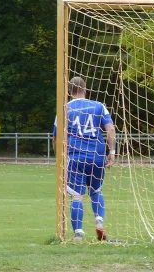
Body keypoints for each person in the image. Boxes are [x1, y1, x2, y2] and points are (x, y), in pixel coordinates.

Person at [53, 76, 116, 241]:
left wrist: (58, 157)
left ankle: (78, 233)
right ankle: (99, 222)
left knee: (77, 196)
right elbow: (110, 129)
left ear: (68, 90)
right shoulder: (99, 106)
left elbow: (56, 137)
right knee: (96, 190)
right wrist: (112, 152)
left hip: (75, 157)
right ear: (85, 88)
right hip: (97, 156)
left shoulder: (64, 109)